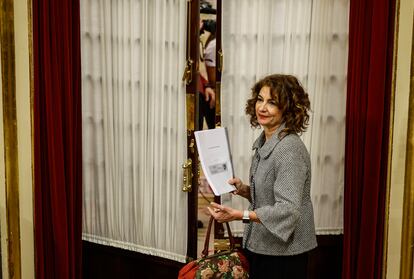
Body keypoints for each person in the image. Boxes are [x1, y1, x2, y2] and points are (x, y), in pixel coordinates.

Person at [207, 74, 317, 278]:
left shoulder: (289, 149)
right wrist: (243, 190)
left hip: (283, 255)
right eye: (260, 99)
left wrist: (239, 215)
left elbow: (288, 209)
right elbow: (271, 196)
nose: (262, 108)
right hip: (264, 247)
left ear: (288, 109)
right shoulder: (266, 141)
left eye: (272, 102)